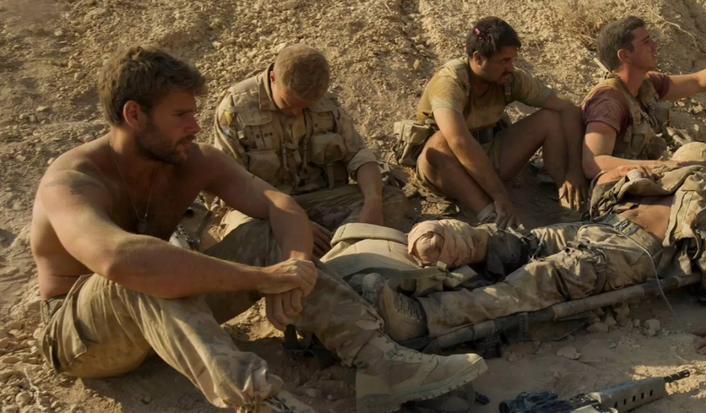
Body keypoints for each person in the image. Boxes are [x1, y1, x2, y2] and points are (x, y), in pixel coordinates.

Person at [31, 46, 486, 413]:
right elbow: (119, 260)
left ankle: (380, 361)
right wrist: (261, 280)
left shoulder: (190, 160)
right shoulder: (72, 181)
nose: (194, 126)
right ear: (134, 115)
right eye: (180, 116)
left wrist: (294, 269)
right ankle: (259, 400)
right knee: (137, 272)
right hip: (85, 339)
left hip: (173, 318)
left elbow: (278, 203)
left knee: (274, 236)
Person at [365, 155, 706, 361]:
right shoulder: (685, 173)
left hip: (637, 251)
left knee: (538, 280)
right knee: (510, 243)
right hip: (603, 225)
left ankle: (420, 318)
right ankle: (429, 249)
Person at [213, 44, 408, 254]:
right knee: (247, 234)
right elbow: (230, 185)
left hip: (319, 200)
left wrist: (373, 202)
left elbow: (359, 156)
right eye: (289, 104)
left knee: (390, 199)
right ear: (272, 78)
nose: (297, 113)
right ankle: (343, 253)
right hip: (262, 210)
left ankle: (334, 257)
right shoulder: (236, 108)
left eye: (305, 107)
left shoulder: (327, 103)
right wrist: (292, 221)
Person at [414, 16, 588, 228]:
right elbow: (458, 140)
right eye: (503, 61)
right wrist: (500, 196)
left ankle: (571, 203)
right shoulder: (450, 81)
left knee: (551, 118)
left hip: (489, 157)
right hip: (444, 170)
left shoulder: (509, 79)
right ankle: (493, 220)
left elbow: (568, 108)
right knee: (442, 141)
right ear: (478, 58)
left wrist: (575, 171)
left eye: (512, 60)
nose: (511, 67)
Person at [581, 16, 706, 179]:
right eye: (646, 42)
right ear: (625, 55)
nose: (654, 45)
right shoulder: (609, 101)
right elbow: (593, 163)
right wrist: (662, 166)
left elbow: (699, 81)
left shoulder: (646, 85)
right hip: (621, 187)